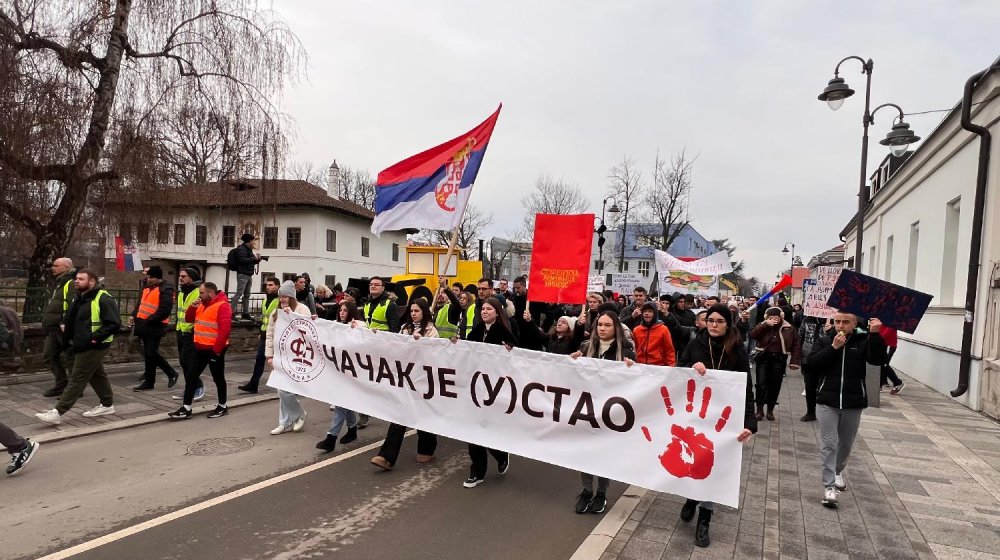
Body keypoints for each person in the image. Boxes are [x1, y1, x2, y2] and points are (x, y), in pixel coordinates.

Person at [676, 304, 757, 547]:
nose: (713, 324)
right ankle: (692, 497)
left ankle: (704, 519)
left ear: (728, 324)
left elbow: (746, 388)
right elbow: (677, 374)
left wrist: (750, 423)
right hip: (696, 417)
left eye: (719, 321)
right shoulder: (695, 344)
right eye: (710, 320)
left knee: (712, 466)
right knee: (694, 462)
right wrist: (691, 370)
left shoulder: (738, 350)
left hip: (723, 419)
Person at [809, 312, 885, 508]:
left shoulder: (862, 341)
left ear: (854, 324)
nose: (841, 325)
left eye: (845, 322)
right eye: (837, 321)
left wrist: (875, 335)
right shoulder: (825, 340)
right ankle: (829, 487)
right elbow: (813, 363)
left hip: (853, 401)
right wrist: (834, 348)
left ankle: (837, 470)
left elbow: (877, 360)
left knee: (846, 443)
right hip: (826, 400)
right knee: (829, 443)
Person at [569, 310, 636, 514]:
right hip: (588, 411)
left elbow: (636, 382)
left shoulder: (626, 351)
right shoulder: (585, 347)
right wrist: (571, 361)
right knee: (586, 453)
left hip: (610, 414)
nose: (602, 329)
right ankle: (586, 491)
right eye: (600, 325)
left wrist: (633, 368)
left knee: (604, 455)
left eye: (607, 325)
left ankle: (602, 493)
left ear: (615, 328)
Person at [35, 269, 121, 425]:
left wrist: (93, 339)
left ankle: (58, 412)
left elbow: (114, 324)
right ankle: (107, 404)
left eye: (81, 279)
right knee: (96, 374)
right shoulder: (81, 297)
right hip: (80, 343)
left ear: (92, 282)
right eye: (76, 279)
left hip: (95, 345)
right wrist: (64, 327)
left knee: (77, 377)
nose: (76, 281)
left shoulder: (104, 299)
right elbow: (71, 317)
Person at [370, 299, 440, 470]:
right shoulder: (405, 329)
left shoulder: (432, 331)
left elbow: (434, 356)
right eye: (412, 311)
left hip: (423, 381)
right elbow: (394, 347)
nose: (413, 314)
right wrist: (376, 336)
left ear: (424, 312)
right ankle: (387, 457)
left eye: (417, 311)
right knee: (400, 415)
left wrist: (421, 343)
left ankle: (427, 448)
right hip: (405, 379)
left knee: (422, 415)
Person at [461, 297, 517, 488]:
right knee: (473, 431)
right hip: (475, 387)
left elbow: (518, 355)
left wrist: (510, 349)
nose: (484, 312)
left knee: (488, 429)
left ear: (497, 312)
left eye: (489, 309)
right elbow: (465, 349)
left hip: (495, 389)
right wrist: (454, 344)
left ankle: (501, 454)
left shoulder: (504, 331)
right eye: (483, 309)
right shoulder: (477, 330)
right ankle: (477, 472)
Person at [168, 282, 232, 420]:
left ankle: (222, 405)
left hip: (214, 349)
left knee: (218, 377)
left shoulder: (223, 306)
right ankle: (186, 407)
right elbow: (189, 319)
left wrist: (217, 351)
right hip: (200, 347)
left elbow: (225, 330)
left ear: (210, 292)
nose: (199, 295)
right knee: (191, 376)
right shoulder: (202, 304)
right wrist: (192, 306)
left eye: (202, 293)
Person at [264, 281, 312, 434]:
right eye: (280, 297)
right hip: (280, 355)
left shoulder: (302, 309)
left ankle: (296, 414)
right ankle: (285, 422)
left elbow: (307, 331)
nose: (282, 300)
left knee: (285, 390)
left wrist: (290, 315)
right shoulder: (275, 312)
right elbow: (270, 334)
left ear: (292, 297)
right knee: (281, 388)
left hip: (297, 356)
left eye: (285, 296)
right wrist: (269, 355)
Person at [316, 300, 364, 453]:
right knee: (345, 403)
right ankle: (352, 430)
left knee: (340, 403)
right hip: (339, 369)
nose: (342, 312)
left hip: (352, 372)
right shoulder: (336, 326)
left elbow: (365, 338)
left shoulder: (358, 325)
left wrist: (357, 329)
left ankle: (331, 437)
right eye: (340, 310)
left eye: (345, 310)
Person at [130, 265, 178, 391]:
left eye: (151, 277)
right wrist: (134, 315)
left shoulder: (166, 289)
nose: (148, 279)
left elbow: (165, 310)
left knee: (151, 352)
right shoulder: (146, 288)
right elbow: (140, 304)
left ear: (158, 278)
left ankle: (171, 373)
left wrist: (149, 320)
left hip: (155, 326)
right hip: (144, 325)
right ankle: (149, 382)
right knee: (149, 354)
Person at [749, 307, 801, 421]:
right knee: (761, 384)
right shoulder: (763, 325)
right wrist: (765, 324)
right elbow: (753, 335)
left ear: (781, 317)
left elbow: (796, 344)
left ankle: (770, 410)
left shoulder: (788, 328)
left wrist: (794, 361)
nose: (773, 320)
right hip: (763, 358)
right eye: (770, 318)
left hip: (779, 359)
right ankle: (759, 410)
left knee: (775, 385)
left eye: (775, 317)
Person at [41, 257, 77, 397]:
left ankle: (74, 389)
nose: (52, 268)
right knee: (49, 355)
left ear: (67, 267)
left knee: (70, 358)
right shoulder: (60, 283)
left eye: (56, 265)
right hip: (54, 327)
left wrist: (64, 323)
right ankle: (62, 384)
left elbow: (72, 306)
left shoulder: (71, 283)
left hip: (62, 328)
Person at [240, 276, 280, 394]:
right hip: (265, 335)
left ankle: (289, 385)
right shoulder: (265, 300)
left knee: (278, 362)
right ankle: (253, 384)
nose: (267, 287)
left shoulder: (279, 301)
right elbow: (265, 319)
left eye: (271, 285)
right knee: (259, 360)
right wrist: (261, 332)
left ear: (277, 286)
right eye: (267, 285)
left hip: (276, 336)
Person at [172, 267, 205, 402]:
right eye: (180, 276)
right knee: (183, 361)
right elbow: (180, 312)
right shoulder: (181, 293)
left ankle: (197, 386)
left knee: (188, 361)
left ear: (192, 277)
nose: (180, 278)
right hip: (181, 331)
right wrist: (178, 328)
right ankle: (189, 388)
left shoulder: (199, 292)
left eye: (184, 276)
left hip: (193, 331)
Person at [797, 316, 831, 422]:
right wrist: (798, 357)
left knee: (824, 387)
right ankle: (810, 412)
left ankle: (825, 412)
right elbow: (800, 336)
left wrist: (830, 330)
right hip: (808, 358)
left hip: (826, 358)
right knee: (810, 386)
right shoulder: (807, 320)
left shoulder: (833, 321)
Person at [632, 302, 676, 366]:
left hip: (658, 367)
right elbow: (635, 349)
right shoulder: (636, 330)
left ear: (655, 314)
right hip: (641, 367)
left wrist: (671, 367)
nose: (647, 313)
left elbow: (669, 351)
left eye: (650, 311)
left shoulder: (663, 330)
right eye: (644, 311)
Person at [234, 233, 262, 319]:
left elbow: (249, 260)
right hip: (243, 274)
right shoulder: (242, 249)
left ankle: (245, 313)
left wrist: (257, 260)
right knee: (239, 293)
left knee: (247, 294)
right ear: (249, 241)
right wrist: (253, 259)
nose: (254, 242)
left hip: (248, 274)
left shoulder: (248, 249)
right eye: (253, 240)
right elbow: (242, 260)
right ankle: (230, 312)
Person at [879, 326, 905, 394]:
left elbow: (888, 332)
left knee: (884, 365)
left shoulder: (891, 321)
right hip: (882, 344)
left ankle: (897, 382)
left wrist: (876, 338)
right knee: (881, 365)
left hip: (889, 344)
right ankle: (880, 385)